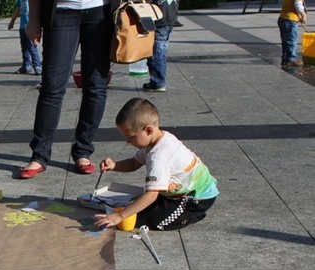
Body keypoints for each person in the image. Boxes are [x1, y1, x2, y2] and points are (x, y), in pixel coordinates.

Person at [18, 0, 113, 179]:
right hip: (61, 10)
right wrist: (33, 19)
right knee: (52, 88)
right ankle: (40, 155)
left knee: (96, 87)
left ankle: (83, 151)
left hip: (101, 11)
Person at [95, 98, 219, 231]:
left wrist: (119, 216)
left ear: (148, 130)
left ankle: (192, 214)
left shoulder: (159, 156)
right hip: (175, 192)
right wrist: (114, 165)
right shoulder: (157, 139)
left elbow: (151, 195)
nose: (128, 141)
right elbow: (133, 163)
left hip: (195, 198)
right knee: (136, 210)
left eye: (130, 136)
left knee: (151, 220)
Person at [143, 0, 179, 92]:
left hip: (159, 20)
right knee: (161, 50)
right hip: (170, 19)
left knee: (157, 52)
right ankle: (157, 81)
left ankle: (158, 82)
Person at [8, 0, 42, 75]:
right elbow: (17, 10)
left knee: (32, 47)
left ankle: (37, 65)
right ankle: (26, 65)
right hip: (23, 27)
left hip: (31, 27)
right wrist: (12, 21)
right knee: (24, 48)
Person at [278, 0, 307, 67]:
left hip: (283, 17)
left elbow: (291, 5)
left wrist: (298, 15)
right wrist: (304, 15)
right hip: (290, 20)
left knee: (285, 41)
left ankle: (285, 59)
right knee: (291, 40)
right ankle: (290, 59)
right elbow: (298, 5)